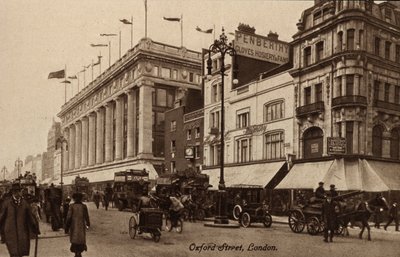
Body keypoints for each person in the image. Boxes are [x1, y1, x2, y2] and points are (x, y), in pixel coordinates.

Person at [0, 182, 40, 257]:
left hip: (22, 233)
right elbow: (1, 218)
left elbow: (30, 218)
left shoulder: (25, 204)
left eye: (19, 191)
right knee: (14, 253)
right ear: (13, 192)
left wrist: (35, 227)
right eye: (16, 191)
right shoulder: (6, 203)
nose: (18, 193)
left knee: (21, 253)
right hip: (10, 233)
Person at [65, 192, 90, 257]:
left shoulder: (72, 206)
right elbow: (87, 216)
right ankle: (79, 253)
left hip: (74, 226)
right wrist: (88, 224)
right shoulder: (84, 206)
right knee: (81, 240)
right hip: (81, 226)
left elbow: (69, 217)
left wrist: (67, 227)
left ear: (74, 199)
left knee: (75, 239)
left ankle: (77, 253)